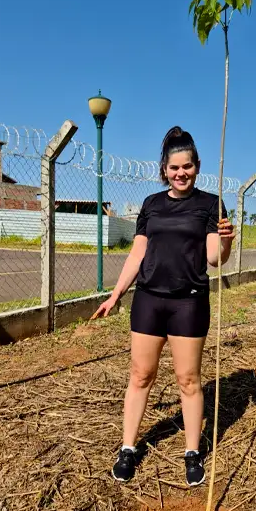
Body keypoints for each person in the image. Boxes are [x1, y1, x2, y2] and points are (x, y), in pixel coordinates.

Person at [91, 126, 234, 487]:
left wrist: (228, 242)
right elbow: (138, 253)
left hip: (189, 302)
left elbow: (215, 258)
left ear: (197, 166)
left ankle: (191, 452)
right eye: (174, 168)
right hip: (149, 300)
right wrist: (116, 294)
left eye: (187, 166)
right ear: (164, 170)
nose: (180, 173)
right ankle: (127, 448)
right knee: (140, 376)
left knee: (188, 380)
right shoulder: (151, 205)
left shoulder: (210, 204)